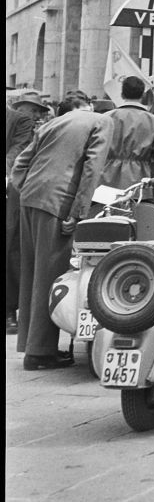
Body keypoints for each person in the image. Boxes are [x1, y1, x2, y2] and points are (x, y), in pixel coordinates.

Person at [12, 95, 110, 369]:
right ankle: (40, 351)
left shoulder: (53, 122)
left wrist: (29, 188)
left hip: (32, 195)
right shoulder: (102, 121)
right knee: (50, 274)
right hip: (58, 199)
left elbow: (21, 162)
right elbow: (92, 169)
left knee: (32, 273)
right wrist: (77, 212)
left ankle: (31, 345)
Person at [6, 91, 49, 335]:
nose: (34, 115)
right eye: (31, 109)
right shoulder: (21, 121)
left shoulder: (20, 122)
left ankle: (10, 309)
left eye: (37, 111)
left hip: (12, 187)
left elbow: (16, 152)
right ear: (18, 105)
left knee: (12, 245)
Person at [99, 76, 154, 197]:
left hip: (105, 183)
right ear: (143, 95)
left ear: (122, 94)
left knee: (106, 214)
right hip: (139, 185)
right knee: (136, 214)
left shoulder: (106, 118)